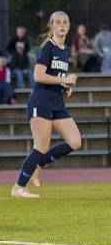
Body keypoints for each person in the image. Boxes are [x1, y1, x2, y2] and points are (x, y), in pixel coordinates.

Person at [12, 11, 80, 198]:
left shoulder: (65, 49)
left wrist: (66, 86)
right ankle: (18, 187)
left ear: (69, 25)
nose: (62, 25)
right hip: (41, 101)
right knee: (41, 146)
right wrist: (64, 79)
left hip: (56, 102)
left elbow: (56, 76)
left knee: (75, 141)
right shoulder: (47, 47)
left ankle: (38, 164)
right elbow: (38, 76)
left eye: (65, 21)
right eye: (57, 22)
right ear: (52, 26)